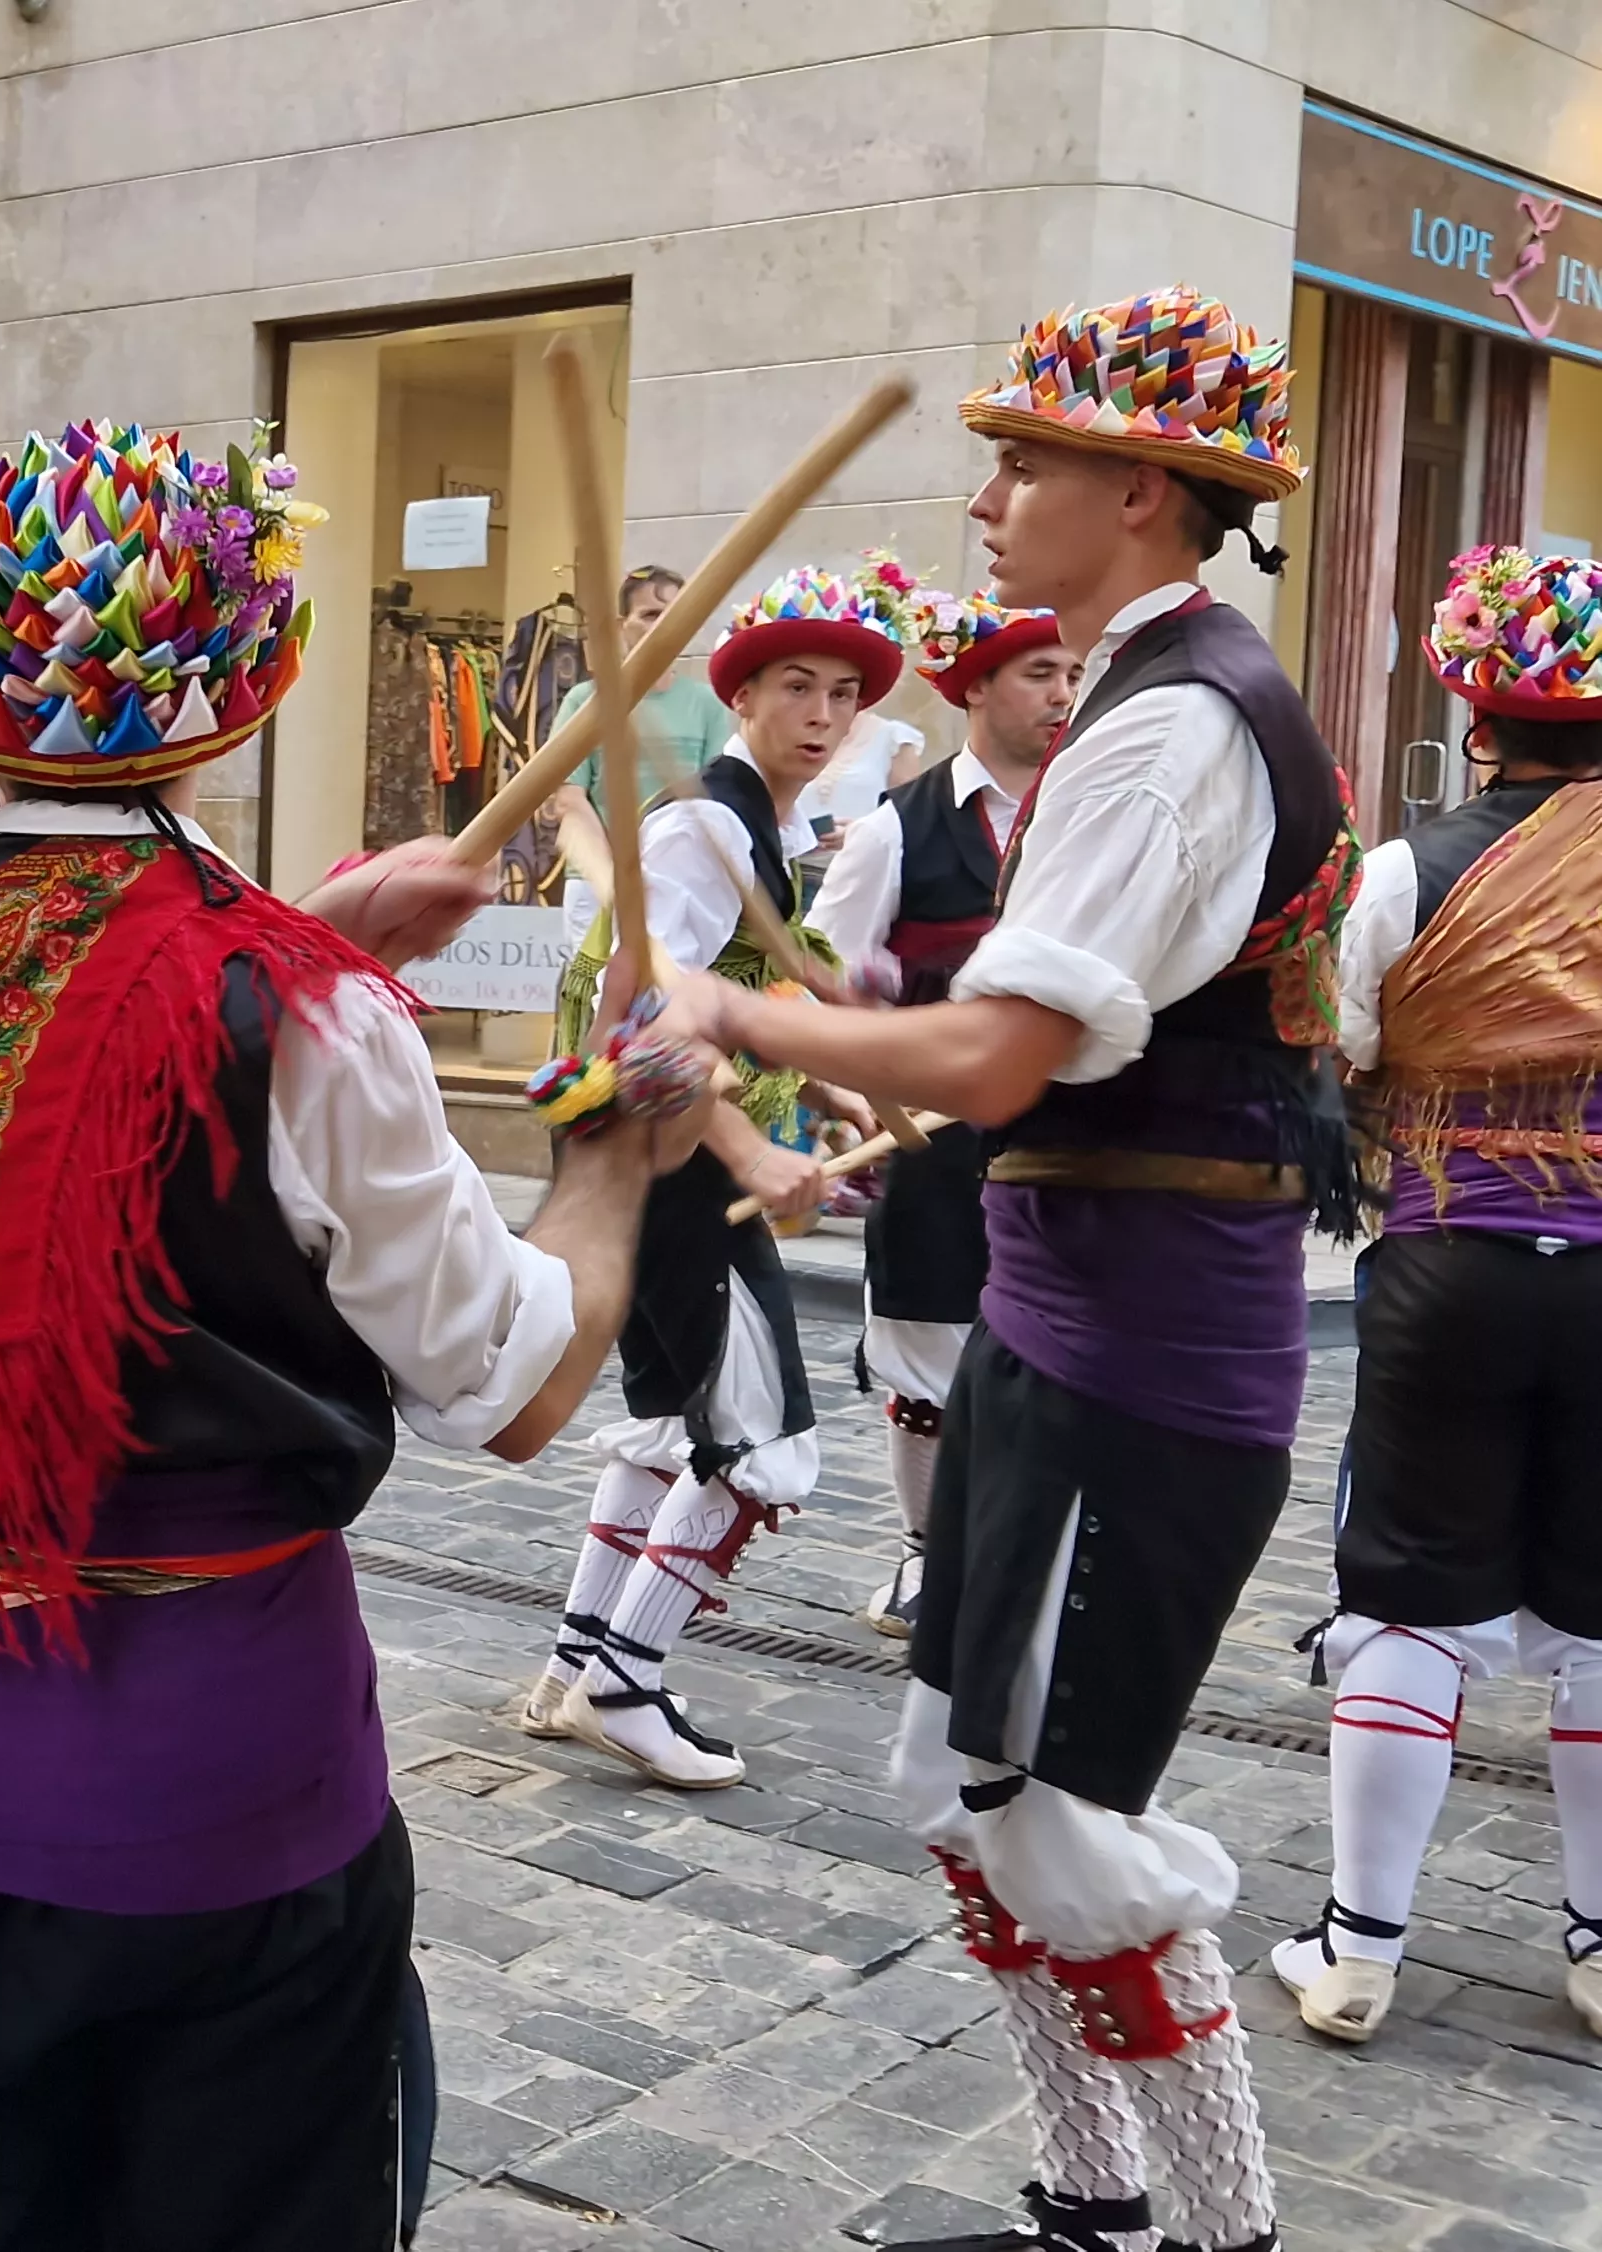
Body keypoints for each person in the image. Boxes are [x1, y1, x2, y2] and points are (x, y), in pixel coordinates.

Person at [0, 419, 688, 2252]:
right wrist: (614, 1159)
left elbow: (84, 1000)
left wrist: (326, 932)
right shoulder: (300, 1019)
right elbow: (513, 1385)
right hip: (226, 1794)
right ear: (235, 695)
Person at [653, 287, 1337, 2252]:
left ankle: (1214, 2234)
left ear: (1134, 489)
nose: (985, 495)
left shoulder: (1169, 728)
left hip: (1143, 1367)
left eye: (1021, 457)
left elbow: (999, 1059)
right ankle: (1090, 2205)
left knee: (1060, 1818)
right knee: (968, 1779)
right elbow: (1042, 1007)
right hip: (1069, 1329)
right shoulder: (1145, 701)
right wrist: (844, 986)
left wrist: (748, 1014)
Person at [1272, 545, 1602, 2047]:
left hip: (1447, 1263)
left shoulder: (1409, 864)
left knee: (1407, 1593)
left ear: (1480, 707)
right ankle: (1599, 1949)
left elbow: (1335, 1053)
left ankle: (1360, 1948)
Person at [510, 560, 913, 1790]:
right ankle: (628, 1680)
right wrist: (750, 1149)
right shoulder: (705, 825)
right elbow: (640, 1020)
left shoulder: (753, 829)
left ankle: (579, 1660)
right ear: (739, 695)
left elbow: (740, 991)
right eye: (795, 684)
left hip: (660, 1167)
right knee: (760, 1445)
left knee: (660, 1421)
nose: (823, 713)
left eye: (844, 692)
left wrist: (837, 1084)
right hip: (675, 1166)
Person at [807, 588, 1077, 1635]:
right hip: (928, 1143)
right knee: (927, 1366)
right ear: (974, 687)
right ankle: (929, 1557)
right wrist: (858, 1090)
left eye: (1068, 673)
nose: (1061, 694)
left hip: (1059, 1143)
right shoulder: (892, 832)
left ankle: (1014, 1555)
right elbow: (821, 984)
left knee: (1048, 1359)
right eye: (1037, 673)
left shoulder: (1083, 814)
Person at [550, 564, 739, 945]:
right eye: (650, 614)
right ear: (622, 625)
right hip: (596, 885)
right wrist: (611, 879)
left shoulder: (708, 706)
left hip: (681, 883)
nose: (663, 626)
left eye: (675, 615)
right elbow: (567, 798)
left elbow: (716, 801)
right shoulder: (586, 702)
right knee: (596, 998)